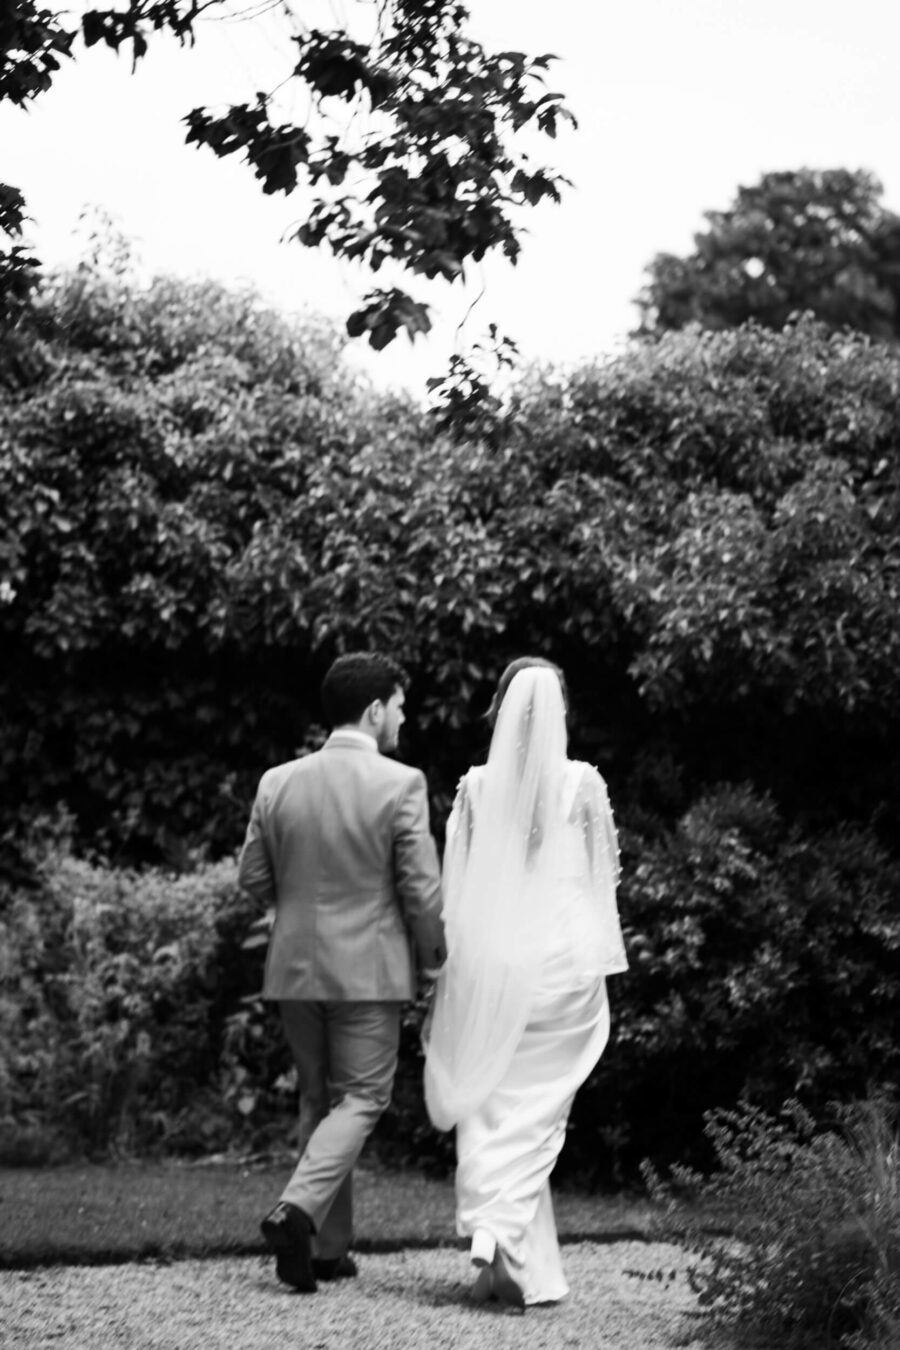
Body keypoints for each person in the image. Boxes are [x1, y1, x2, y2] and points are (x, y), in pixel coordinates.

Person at [238, 652, 446, 1294]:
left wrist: (296, 909)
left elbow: (252, 878)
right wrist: (435, 957)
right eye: (401, 708)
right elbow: (421, 892)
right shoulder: (401, 783)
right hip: (368, 972)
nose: (403, 720)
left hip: (294, 967)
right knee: (362, 1099)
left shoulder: (277, 781)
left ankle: (326, 1249)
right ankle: (296, 1212)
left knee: (317, 1100)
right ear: (375, 709)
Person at [423, 657, 627, 1309]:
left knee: (491, 1103)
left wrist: (458, 967)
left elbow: (458, 888)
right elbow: (601, 883)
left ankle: (492, 1226)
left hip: (496, 965)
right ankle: (510, 1252)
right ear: (561, 710)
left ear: (501, 709)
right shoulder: (584, 785)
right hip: (563, 969)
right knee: (539, 1117)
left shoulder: (478, 788)